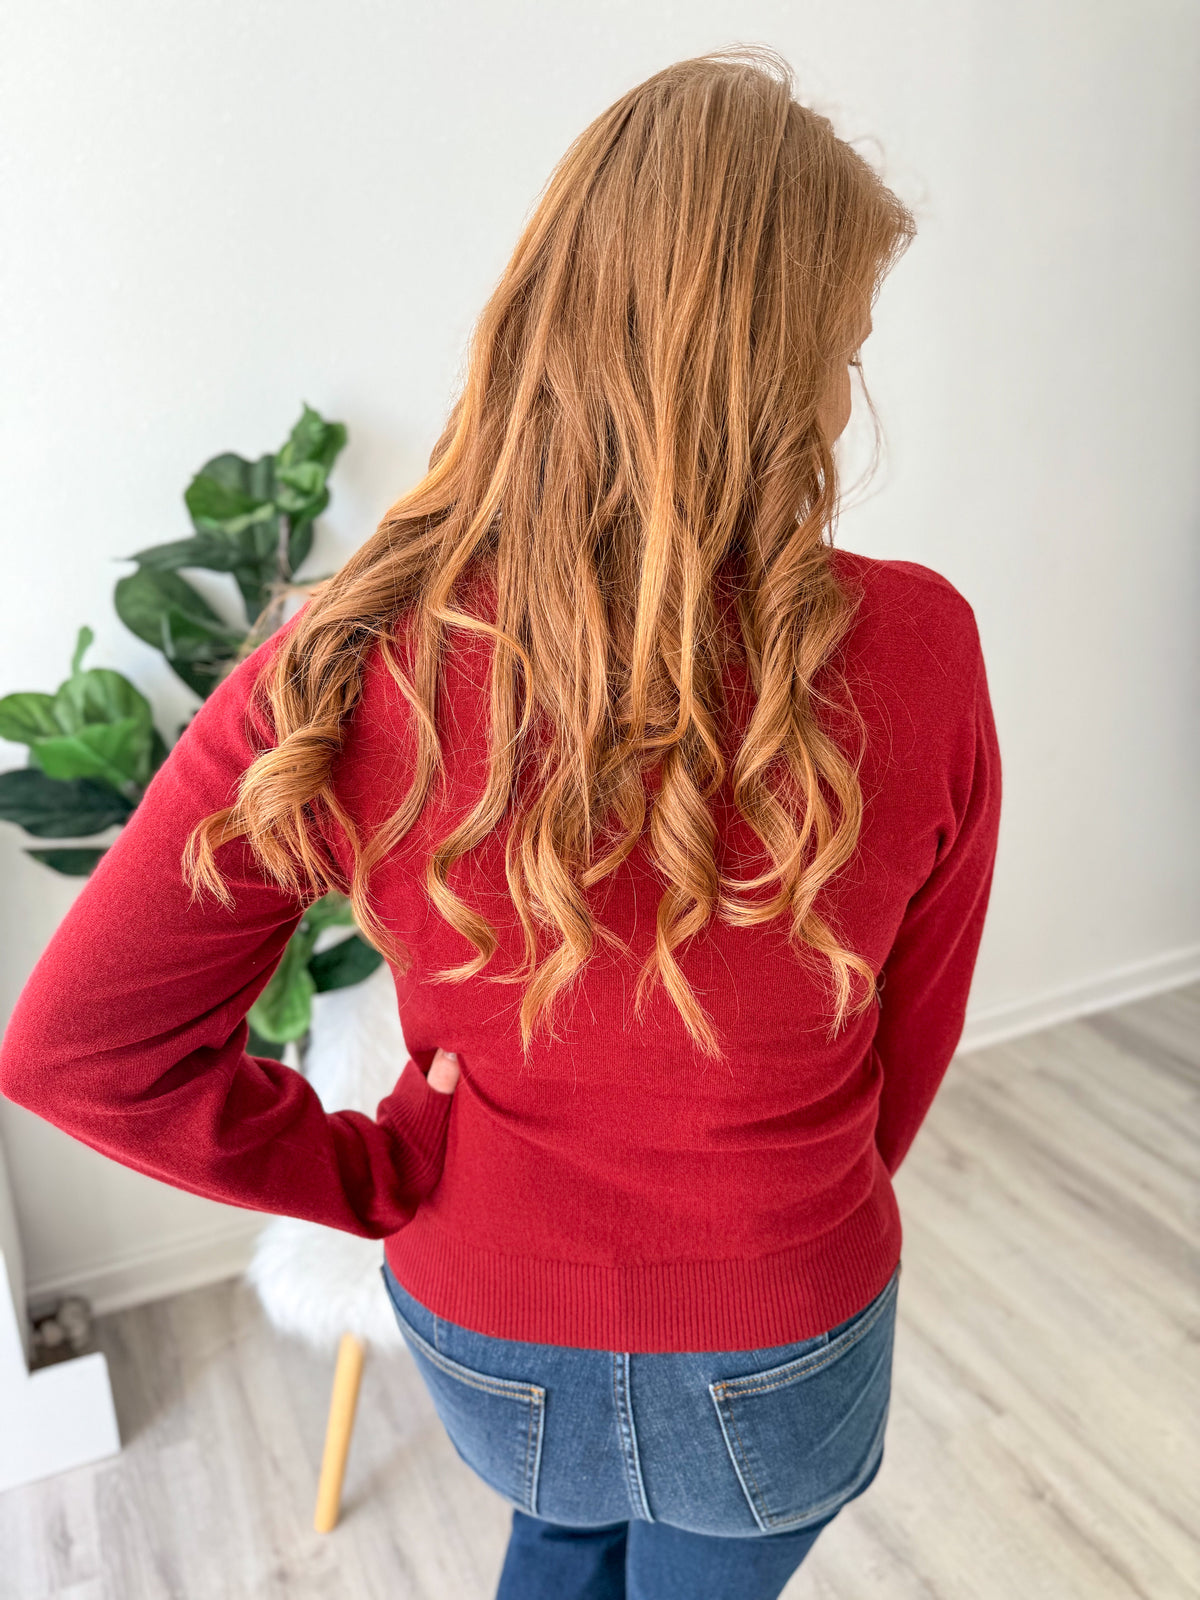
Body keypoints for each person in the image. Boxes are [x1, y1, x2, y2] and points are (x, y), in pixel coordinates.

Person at [0, 48, 1002, 1600]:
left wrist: (368, 1173)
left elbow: (76, 1049)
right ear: (775, 364)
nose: (843, 392)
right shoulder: (921, 648)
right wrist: (781, 1206)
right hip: (780, 1322)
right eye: (843, 345)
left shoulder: (348, 658)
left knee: (555, 1539)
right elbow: (905, 1047)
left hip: (486, 1322)